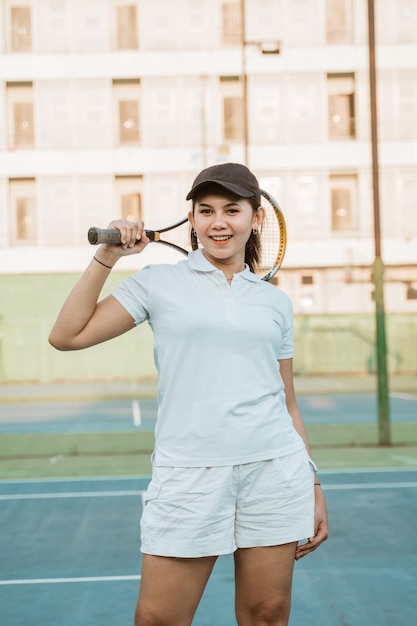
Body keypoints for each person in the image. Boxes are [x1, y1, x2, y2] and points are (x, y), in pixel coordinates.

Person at [49, 162, 328, 626]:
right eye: (205, 211)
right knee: (159, 619)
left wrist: (313, 483)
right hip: (189, 475)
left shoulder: (274, 301)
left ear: (255, 218)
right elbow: (66, 336)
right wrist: (109, 257)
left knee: (267, 615)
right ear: (193, 220)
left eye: (232, 210)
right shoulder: (158, 284)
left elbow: (287, 402)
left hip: (276, 473)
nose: (218, 222)